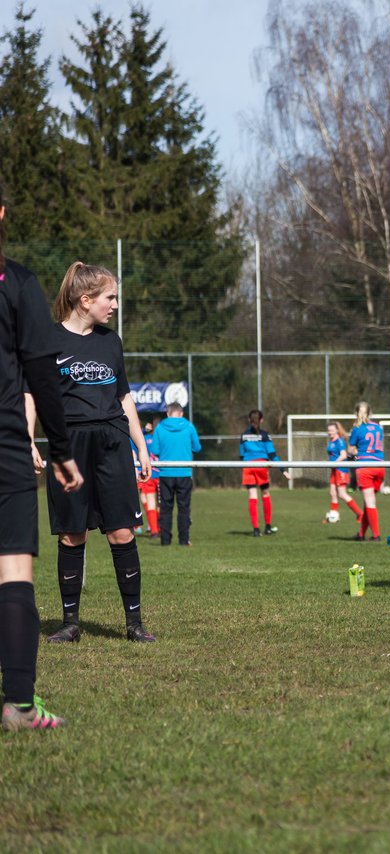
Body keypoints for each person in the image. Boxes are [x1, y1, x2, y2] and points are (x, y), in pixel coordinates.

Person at [25, 262, 156, 645]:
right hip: (69, 446)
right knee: (71, 534)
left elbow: (124, 397)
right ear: (86, 300)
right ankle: (69, 623)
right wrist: (27, 439)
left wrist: (141, 446)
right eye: (109, 297)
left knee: (121, 531)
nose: (115, 304)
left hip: (112, 442)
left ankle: (134, 624)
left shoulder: (110, 341)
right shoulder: (46, 341)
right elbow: (32, 394)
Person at [0, 191, 84, 731]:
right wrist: (61, 449)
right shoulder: (19, 282)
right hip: (4, 444)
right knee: (13, 572)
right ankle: (20, 706)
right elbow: (42, 373)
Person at [153, 402, 200, 547]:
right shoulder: (189, 426)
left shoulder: (160, 427)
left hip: (165, 473)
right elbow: (197, 447)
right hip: (184, 472)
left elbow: (155, 450)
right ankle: (184, 540)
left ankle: (165, 541)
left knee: (165, 508)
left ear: (167, 413)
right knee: (184, 507)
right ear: (181, 413)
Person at [240, 409, 286, 536]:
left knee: (252, 496)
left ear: (249, 420)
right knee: (265, 494)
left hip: (248, 466)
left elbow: (241, 455)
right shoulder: (265, 435)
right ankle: (267, 527)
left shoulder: (243, 435)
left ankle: (255, 529)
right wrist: (283, 470)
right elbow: (272, 454)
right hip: (261, 465)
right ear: (261, 420)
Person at [349, 401, 384, 541]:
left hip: (365, 467)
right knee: (368, 502)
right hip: (381, 467)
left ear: (356, 413)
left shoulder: (357, 428)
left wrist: (355, 454)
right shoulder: (378, 427)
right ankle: (362, 534)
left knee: (370, 502)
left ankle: (376, 535)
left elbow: (351, 450)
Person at [324, 421, 362, 524]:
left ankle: (359, 514)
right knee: (332, 493)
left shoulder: (339, 441)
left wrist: (334, 463)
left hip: (341, 469)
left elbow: (343, 455)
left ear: (337, 430)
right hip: (334, 469)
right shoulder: (332, 441)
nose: (330, 432)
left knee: (342, 494)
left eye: (332, 430)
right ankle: (333, 516)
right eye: (328, 430)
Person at [134, 419, 160, 537]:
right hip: (161, 473)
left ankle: (154, 528)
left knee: (147, 500)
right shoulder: (160, 438)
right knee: (156, 502)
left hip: (146, 473)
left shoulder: (141, 439)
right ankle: (155, 527)